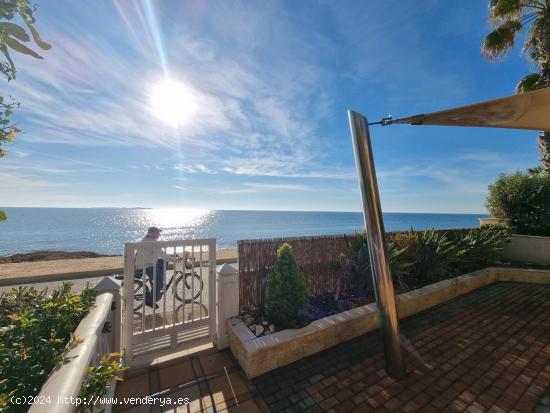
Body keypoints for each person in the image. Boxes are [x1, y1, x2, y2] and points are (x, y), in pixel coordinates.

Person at [134, 227, 186, 308]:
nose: (159, 234)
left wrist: (171, 257)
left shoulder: (144, 239)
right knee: (159, 281)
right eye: (157, 232)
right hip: (147, 265)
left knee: (163, 261)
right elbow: (162, 254)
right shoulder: (153, 242)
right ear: (152, 233)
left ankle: (157, 285)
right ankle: (150, 300)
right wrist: (174, 260)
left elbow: (157, 254)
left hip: (143, 263)